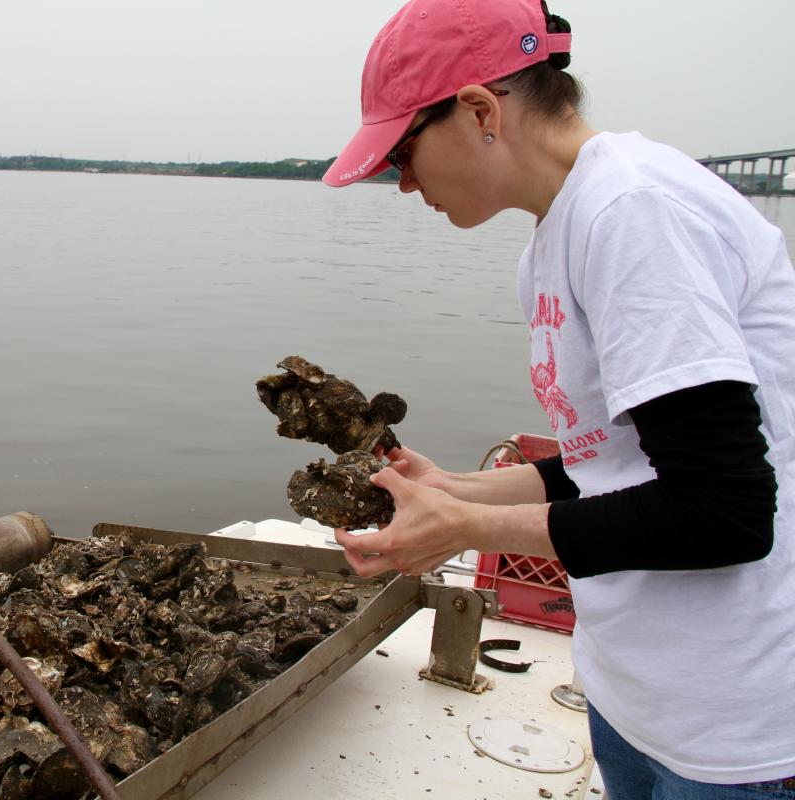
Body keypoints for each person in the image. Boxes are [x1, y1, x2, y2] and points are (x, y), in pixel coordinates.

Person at [321, 0, 795, 796]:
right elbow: (615, 464)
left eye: (403, 152)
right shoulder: (556, 237)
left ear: (478, 111)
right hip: (633, 690)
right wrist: (454, 489)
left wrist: (468, 527)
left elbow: (726, 511)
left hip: (733, 725)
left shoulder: (634, 212)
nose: (402, 185)